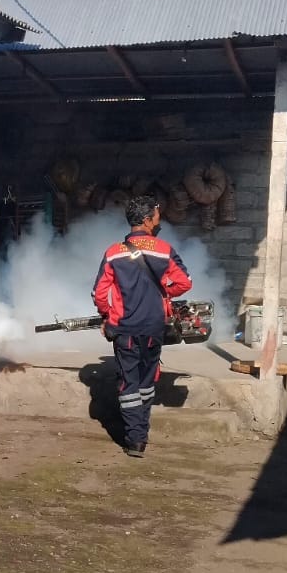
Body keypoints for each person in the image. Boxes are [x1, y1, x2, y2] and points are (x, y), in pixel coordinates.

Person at [92, 196, 193, 458]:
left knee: (129, 384)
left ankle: (135, 439)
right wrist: (164, 287)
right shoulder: (164, 249)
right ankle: (141, 431)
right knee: (147, 381)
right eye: (157, 218)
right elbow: (184, 283)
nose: (159, 222)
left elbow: (99, 293)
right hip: (154, 328)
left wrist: (106, 316)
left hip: (123, 329)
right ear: (147, 221)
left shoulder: (114, 252)